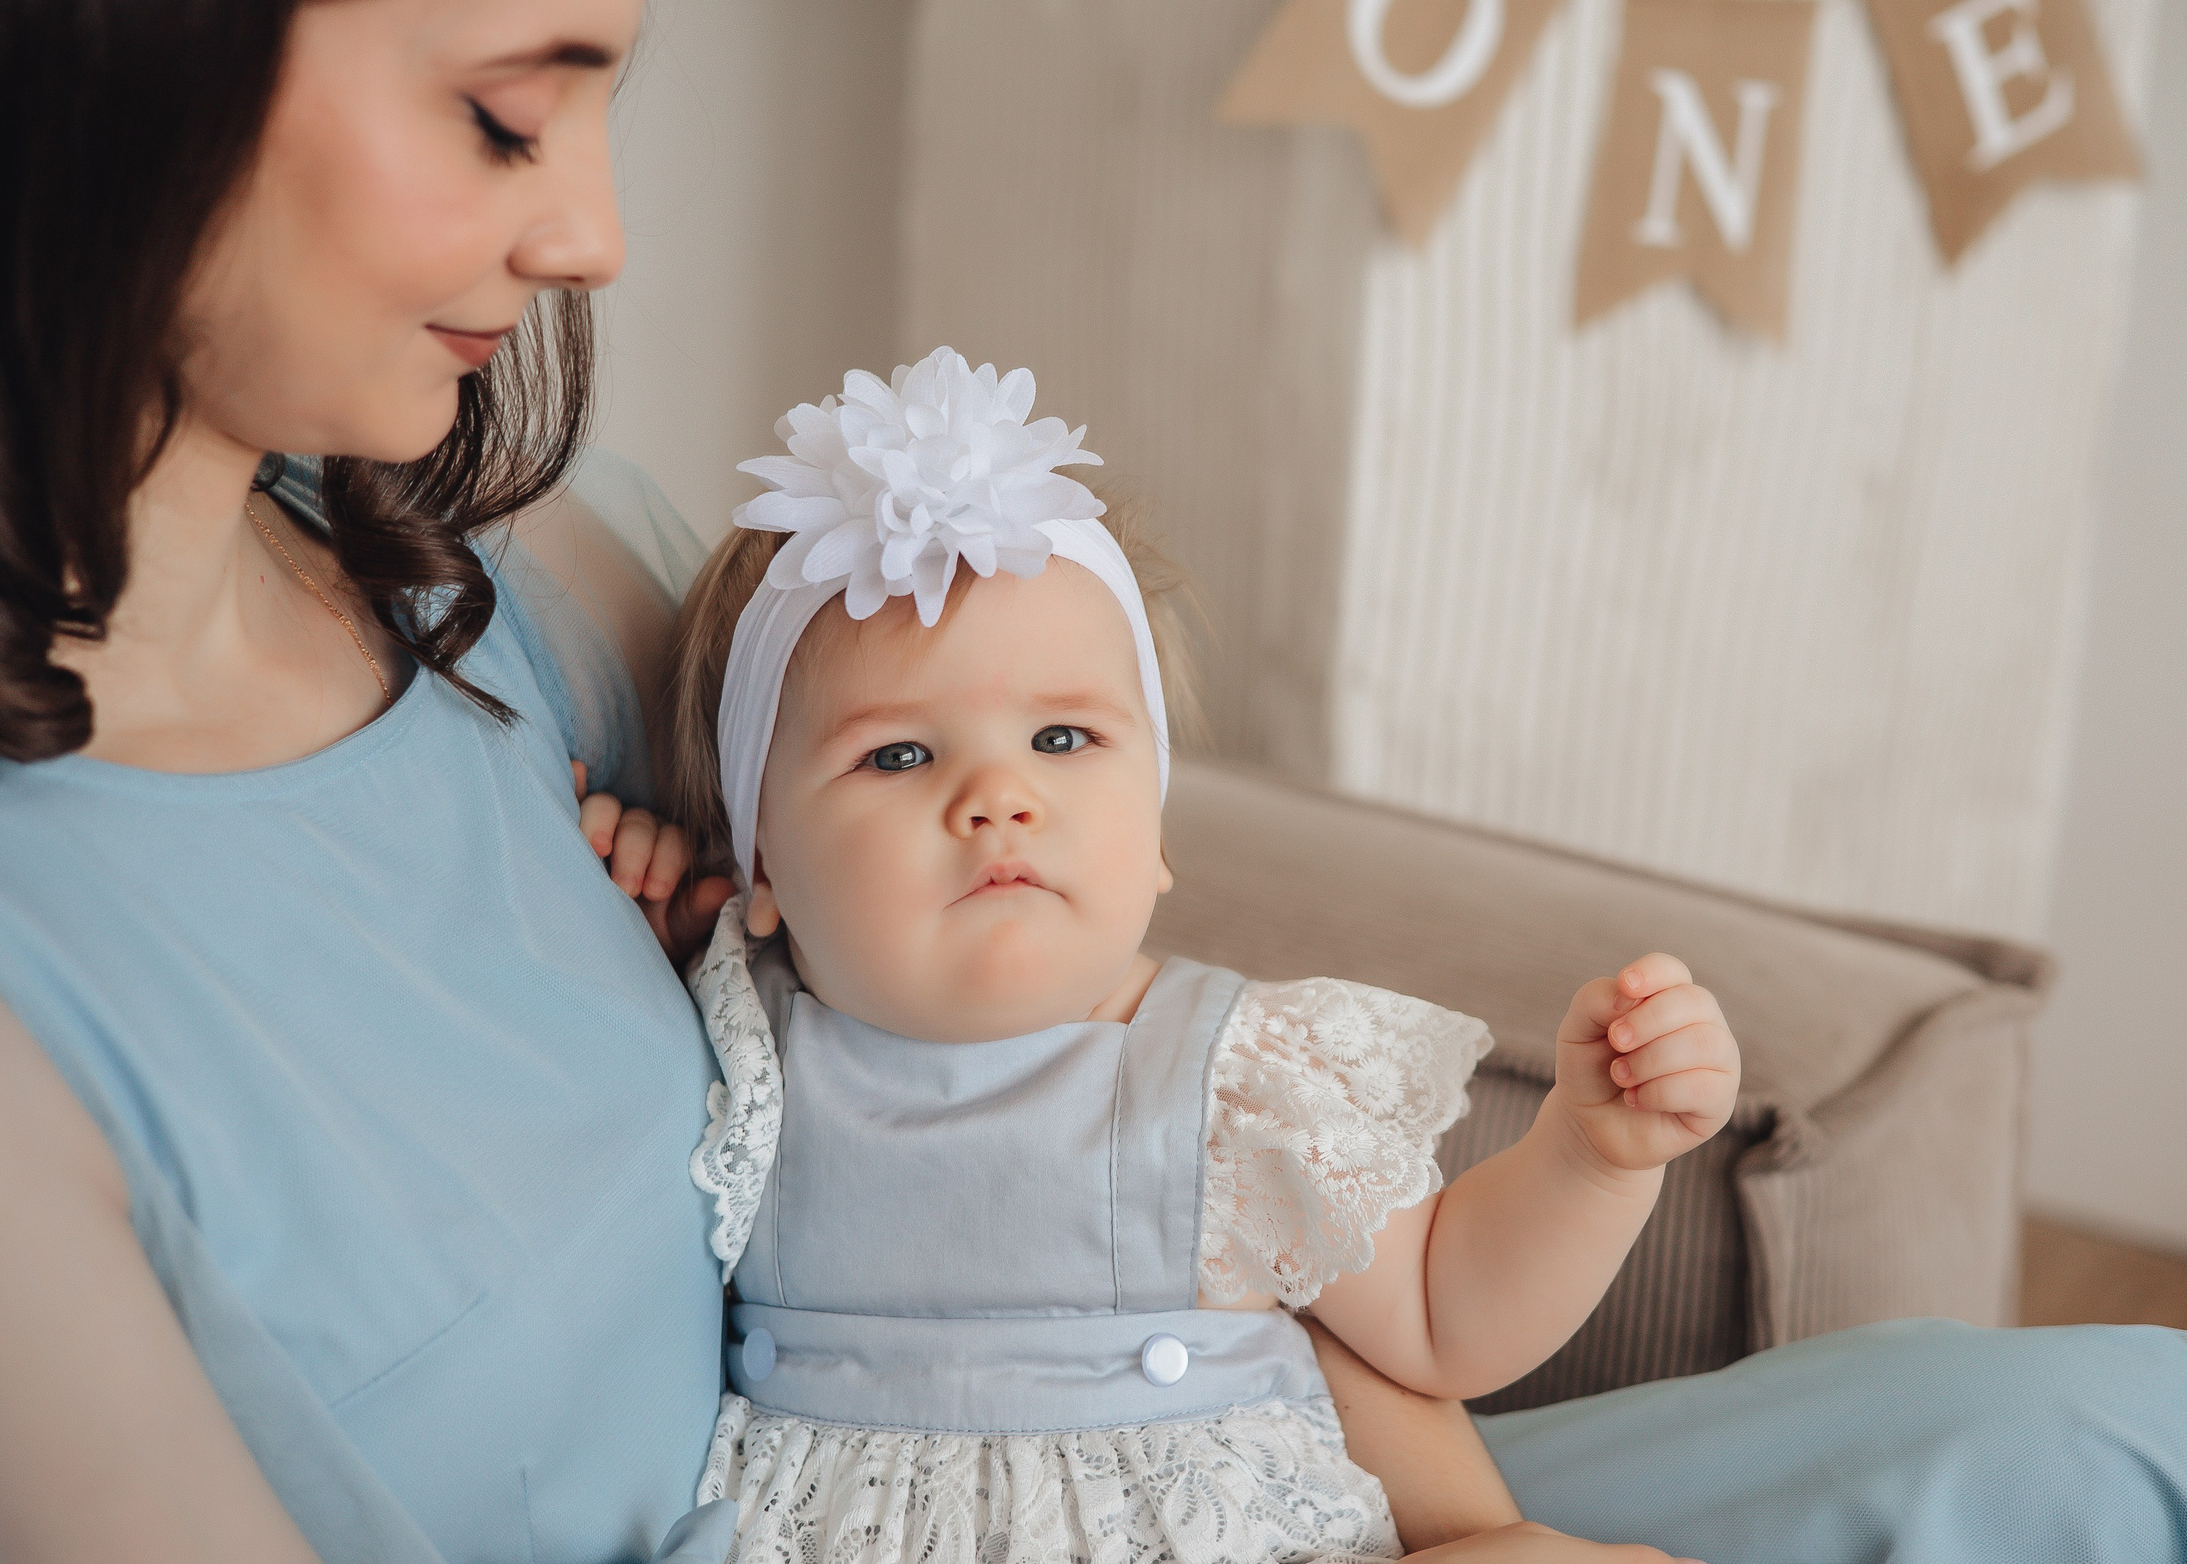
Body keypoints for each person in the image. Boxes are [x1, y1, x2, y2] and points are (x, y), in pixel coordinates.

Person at [0, 0, 2187, 1561]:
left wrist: (1445, 1507)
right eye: (500, 110)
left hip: (1244, 1493)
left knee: (2110, 1437)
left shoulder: (510, 581)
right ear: (108, 37)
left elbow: (1075, 1051)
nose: (595, 234)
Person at [652, 349, 1743, 1561]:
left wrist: (1591, 1158)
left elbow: (1444, 1314)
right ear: (761, 866)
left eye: (1062, 738)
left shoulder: (1234, 1082)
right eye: (899, 755)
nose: (999, 797)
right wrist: (631, 868)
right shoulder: (737, 1048)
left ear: (1158, 833)